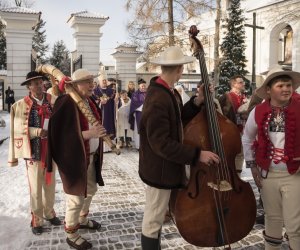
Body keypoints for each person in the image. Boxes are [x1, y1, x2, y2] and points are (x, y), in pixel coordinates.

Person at [139, 46, 220, 249]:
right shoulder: (159, 97)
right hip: (159, 169)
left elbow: (178, 120)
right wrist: (197, 155)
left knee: (155, 218)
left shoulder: (168, 91)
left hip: (165, 167)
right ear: (179, 69)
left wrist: (197, 101)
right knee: (153, 219)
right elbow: (161, 143)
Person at [242, 65, 300, 250]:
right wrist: (251, 165)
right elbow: (247, 138)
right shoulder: (257, 111)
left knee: (294, 223)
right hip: (268, 174)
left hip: (294, 173)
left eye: (288, 85)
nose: (286, 89)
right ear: (268, 90)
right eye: (280, 85)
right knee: (272, 219)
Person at [47, 69, 106, 250]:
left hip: (91, 157)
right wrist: (89, 134)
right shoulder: (66, 102)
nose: (91, 84)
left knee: (91, 189)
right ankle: (71, 232)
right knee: (75, 197)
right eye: (87, 81)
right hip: (74, 160)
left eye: (91, 81)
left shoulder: (89, 101)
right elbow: (58, 136)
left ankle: (82, 219)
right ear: (75, 85)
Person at [8, 71, 61, 235]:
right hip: (34, 153)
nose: (39, 85)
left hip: (51, 151)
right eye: (35, 83)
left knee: (50, 186)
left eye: (40, 82)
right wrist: (37, 131)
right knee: (36, 189)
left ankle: (49, 212)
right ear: (29, 87)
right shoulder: (20, 105)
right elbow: (18, 129)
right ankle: (37, 219)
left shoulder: (53, 100)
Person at [218, 75, 248, 176]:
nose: (243, 84)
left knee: (241, 153)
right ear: (234, 84)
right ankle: (227, 175)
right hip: (230, 131)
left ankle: (237, 177)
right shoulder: (226, 97)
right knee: (230, 153)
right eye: (240, 82)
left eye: (243, 82)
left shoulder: (244, 97)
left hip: (242, 130)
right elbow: (219, 114)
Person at [94, 69, 116, 152]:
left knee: (109, 127)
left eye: (105, 80)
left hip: (109, 113)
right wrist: (99, 102)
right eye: (102, 80)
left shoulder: (111, 91)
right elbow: (93, 102)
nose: (104, 81)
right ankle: (101, 148)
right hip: (100, 113)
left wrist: (115, 100)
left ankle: (110, 146)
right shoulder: (95, 91)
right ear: (99, 81)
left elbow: (115, 102)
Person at [129, 78, 147, 149]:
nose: (143, 87)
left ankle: (146, 145)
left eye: (144, 86)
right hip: (139, 113)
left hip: (147, 114)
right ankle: (139, 145)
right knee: (139, 129)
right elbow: (135, 104)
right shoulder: (135, 94)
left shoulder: (148, 93)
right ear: (139, 86)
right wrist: (144, 106)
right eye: (142, 86)